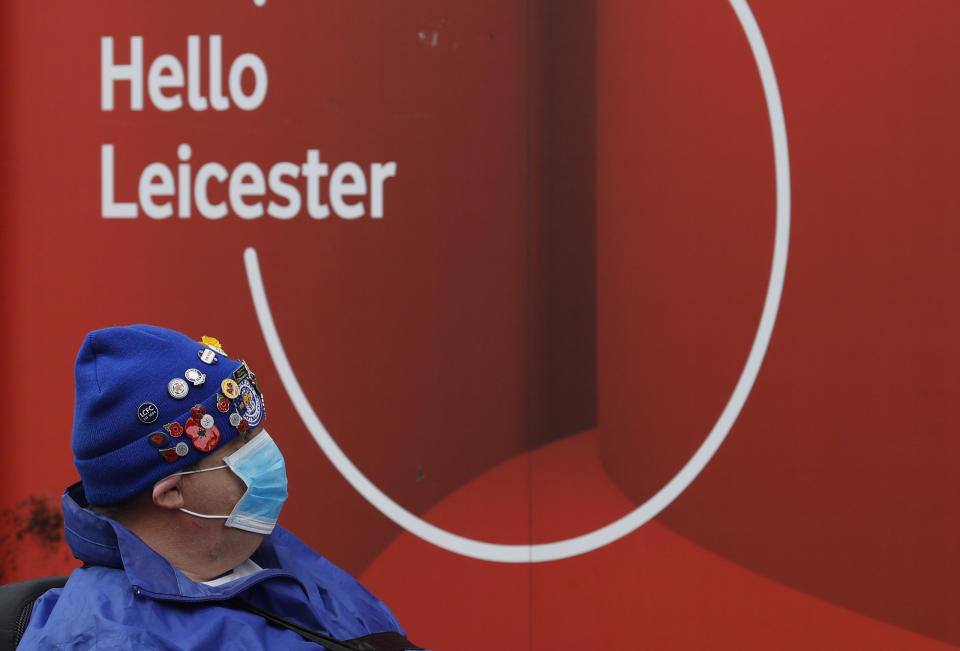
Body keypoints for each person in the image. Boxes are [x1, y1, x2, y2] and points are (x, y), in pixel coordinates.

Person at [17, 325, 422, 650]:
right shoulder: (116, 639)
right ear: (171, 492)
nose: (268, 451)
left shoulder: (251, 551)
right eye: (241, 443)